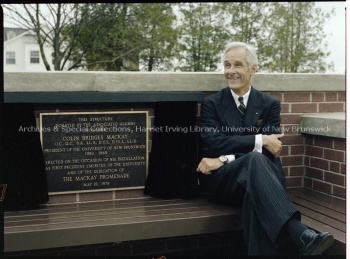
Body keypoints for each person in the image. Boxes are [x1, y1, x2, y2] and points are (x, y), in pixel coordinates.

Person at [196, 42, 334, 256]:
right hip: (226, 182)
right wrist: (260, 139)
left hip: (256, 179)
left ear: (253, 69)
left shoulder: (269, 104)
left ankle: (298, 238)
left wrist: (223, 159)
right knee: (255, 160)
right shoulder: (212, 103)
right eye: (227, 65)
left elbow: (272, 149)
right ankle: (299, 233)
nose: (230, 71)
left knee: (256, 181)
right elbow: (216, 143)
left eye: (238, 65)